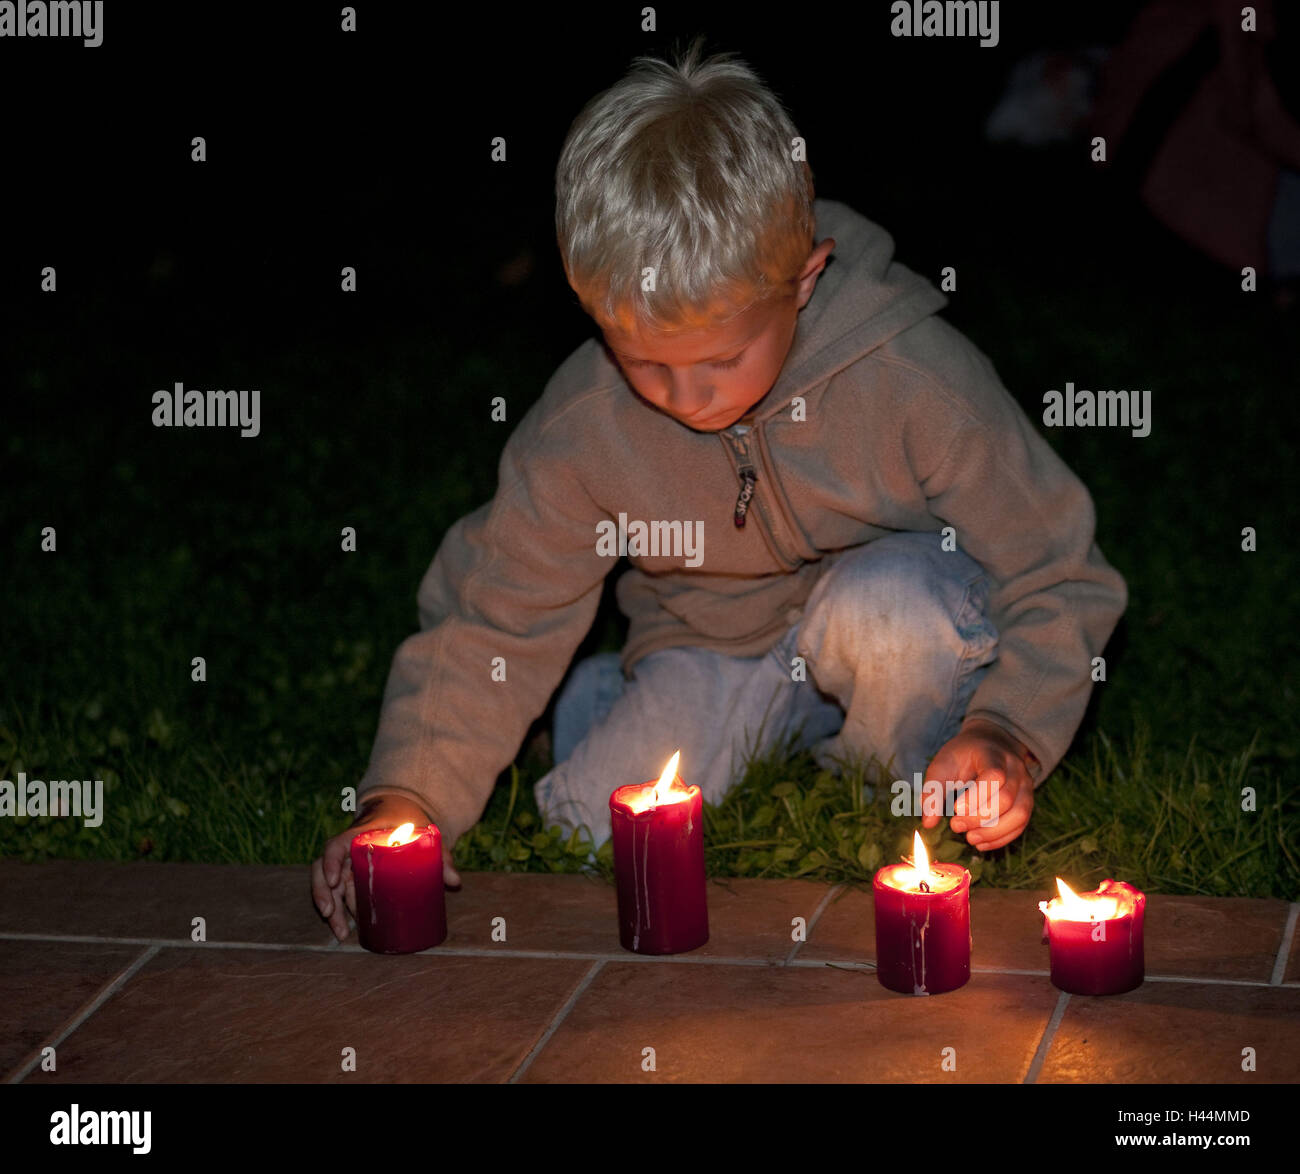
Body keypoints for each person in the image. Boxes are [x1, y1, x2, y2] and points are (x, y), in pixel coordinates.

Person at [311, 40, 1127, 942]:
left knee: (898, 608)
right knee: (588, 827)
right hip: (710, 642)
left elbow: (1058, 570)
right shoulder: (583, 429)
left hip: (888, 620)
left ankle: (888, 778)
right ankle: (605, 701)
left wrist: (1009, 730)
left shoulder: (911, 379)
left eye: (722, 360)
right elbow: (495, 616)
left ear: (804, 279)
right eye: (648, 363)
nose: (689, 397)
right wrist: (407, 792)